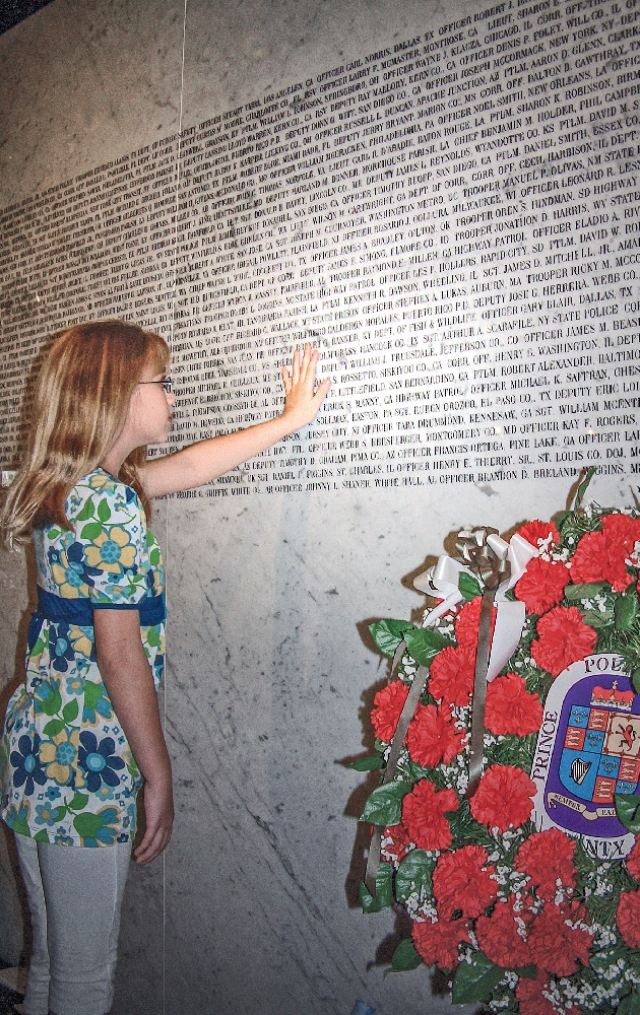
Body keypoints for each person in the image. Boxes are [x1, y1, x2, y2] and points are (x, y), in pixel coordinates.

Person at [0, 320, 331, 1015]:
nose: (174, 396)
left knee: (53, 964)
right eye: (163, 382)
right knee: (87, 978)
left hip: (37, 745)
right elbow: (120, 655)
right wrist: (160, 772)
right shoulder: (112, 507)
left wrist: (287, 420)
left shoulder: (70, 489)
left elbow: (188, 466)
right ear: (118, 395)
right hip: (88, 757)